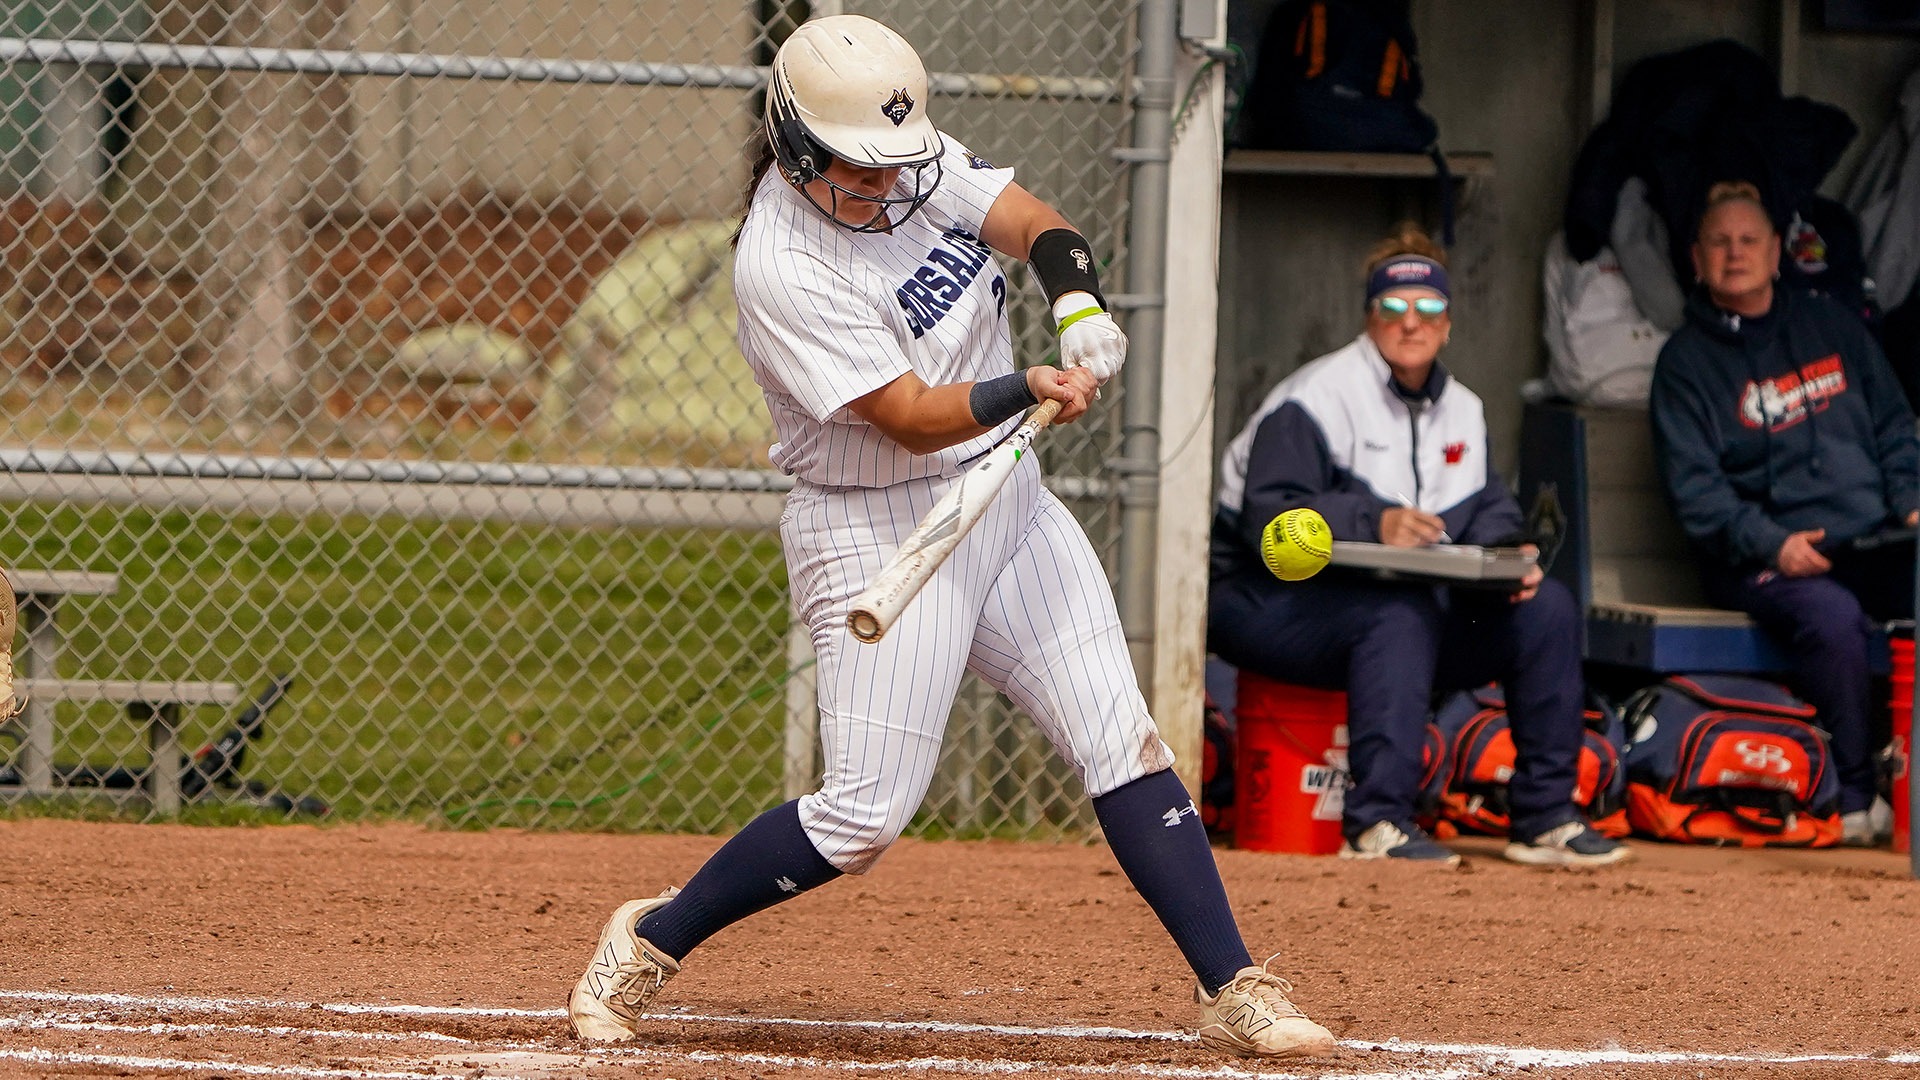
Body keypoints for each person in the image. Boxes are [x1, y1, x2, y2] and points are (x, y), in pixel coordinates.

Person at [565, 15, 1337, 1060]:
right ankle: (653, 939)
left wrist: (1075, 307)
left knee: (1123, 737)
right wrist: (1032, 383)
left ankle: (1229, 985)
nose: (884, 187)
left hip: (1001, 497)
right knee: (862, 820)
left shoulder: (908, 161)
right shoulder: (779, 264)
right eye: (857, 170)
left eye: (891, 164)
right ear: (794, 148)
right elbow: (910, 413)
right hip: (879, 528)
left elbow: (1037, 226)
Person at [1208, 223, 1630, 869]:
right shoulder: (1316, 396)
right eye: (1395, 308)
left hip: (1393, 610)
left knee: (1546, 608)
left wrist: (1510, 554)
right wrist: (1370, 518)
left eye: (1429, 307)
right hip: (1264, 601)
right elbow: (1269, 518)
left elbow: (1487, 507)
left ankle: (1545, 819)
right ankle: (1378, 823)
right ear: (1371, 316)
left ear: (1449, 322)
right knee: (1398, 618)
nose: (1413, 322)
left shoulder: (1462, 408)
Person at [1650, 180, 1919, 846]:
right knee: (1832, 617)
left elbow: (1892, 424)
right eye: (1720, 242)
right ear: (1697, 258)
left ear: (1777, 254)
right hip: (1760, 557)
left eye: (1749, 241)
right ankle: (1855, 797)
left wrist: (1912, 504)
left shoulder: (1831, 324)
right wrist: (1774, 545)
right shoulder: (1684, 364)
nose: (1735, 254)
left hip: (1872, 538)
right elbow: (1699, 494)